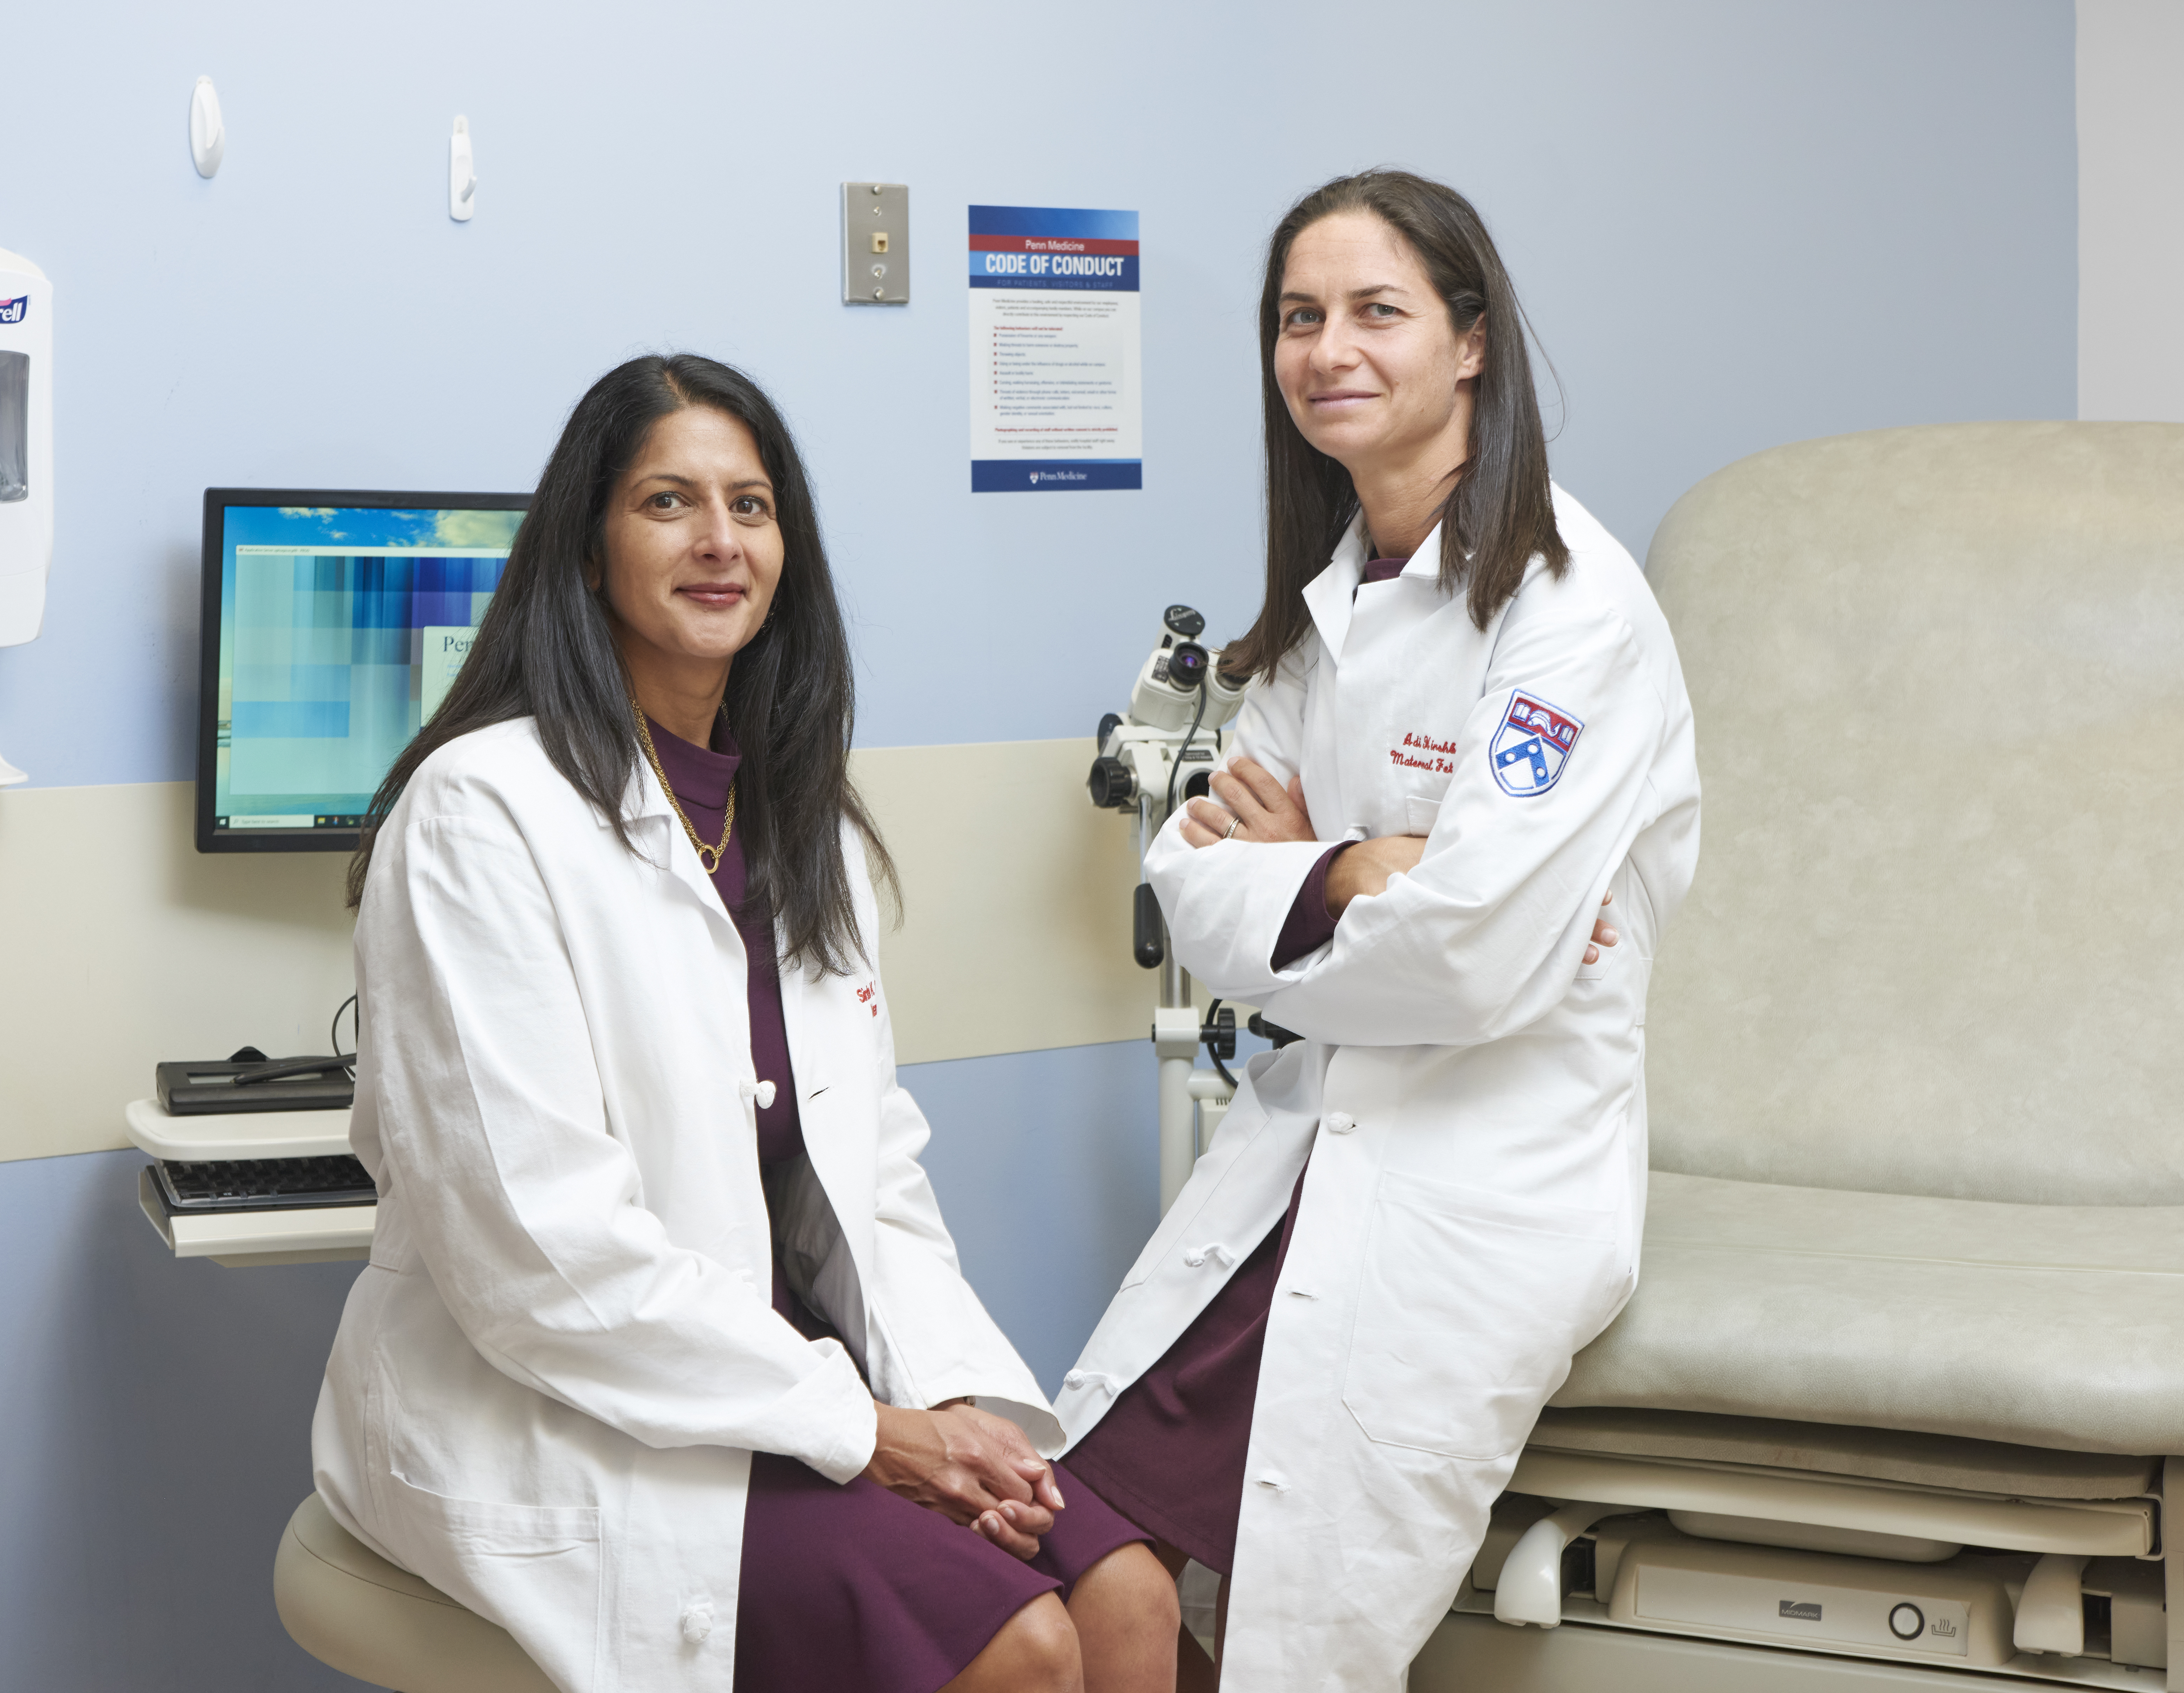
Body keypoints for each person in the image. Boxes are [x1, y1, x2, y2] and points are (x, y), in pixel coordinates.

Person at [312, 353, 1178, 1693]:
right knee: (1022, 1648)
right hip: (580, 1410)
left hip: (804, 1390)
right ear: (589, 550)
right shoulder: (481, 812)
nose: (720, 540)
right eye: (668, 502)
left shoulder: (798, 817)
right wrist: (868, 1433)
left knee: (1128, 1597)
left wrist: (946, 1403)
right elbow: (544, 1258)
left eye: (752, 506)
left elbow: (871, 1176)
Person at [1051, 171, 1702, 1688]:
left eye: (1375, 312)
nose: (1326, 349)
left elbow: (1475, 959)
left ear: (1469, 343)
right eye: (1298, 317)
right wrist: (1367, 873)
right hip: (1304, 1142)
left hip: (1479, 1176)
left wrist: (1312, 870)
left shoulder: (1570, 609)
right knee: (1086, 1548)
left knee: (1275, 1628)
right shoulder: (1323, 605)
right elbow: (1197, 897)